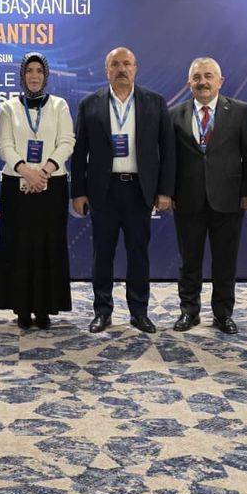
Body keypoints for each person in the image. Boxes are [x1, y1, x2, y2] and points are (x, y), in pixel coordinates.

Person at [71, 47, 175, 334]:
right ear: (106, 70)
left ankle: (139, 312)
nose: (121, 69)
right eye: (115, 64)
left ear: (135, 68)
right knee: (102, 254)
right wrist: (78, 192)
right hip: (102, 191)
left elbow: (168, 150)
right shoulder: (90, 104)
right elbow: (79, 153)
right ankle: (102, 311)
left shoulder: (154, 102)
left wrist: (164, 191)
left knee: (138, 253)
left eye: (126, 64)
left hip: (139, 190)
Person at [0, 53, 75, 329]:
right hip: (17, 186)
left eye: (39, 71)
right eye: (29, 71)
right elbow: (4, 144)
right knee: (19, 246)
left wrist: (44, 171)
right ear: (22, 75)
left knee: (48, 245)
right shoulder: (9, 107)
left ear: (46, 75)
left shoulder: (59, 105)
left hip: (52, 185)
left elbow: (67, 142)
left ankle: (44, 309)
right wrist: (27, 171)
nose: (34, 76)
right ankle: (21, 309)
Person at [170, 57, 247, 335]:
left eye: (208, 76)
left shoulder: (240, 112)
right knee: (189, 261)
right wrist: (167, 193)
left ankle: (223, 314)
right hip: (187, 198)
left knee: (225, 261)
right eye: (197, 77)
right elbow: (169, 159)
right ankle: (188, 311)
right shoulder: (174, 114)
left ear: (220, 81)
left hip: (228, 199)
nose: (202, 82)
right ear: (188, 83)